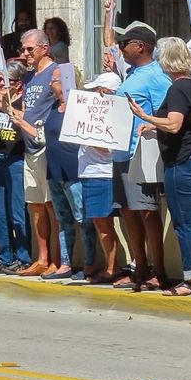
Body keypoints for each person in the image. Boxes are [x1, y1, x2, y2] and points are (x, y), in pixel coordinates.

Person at [129, 38, 191, 296]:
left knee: (184, 224)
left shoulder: (177, 88)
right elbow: (185, 120)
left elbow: (175, 124)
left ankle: (190, 280)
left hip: (184, 161)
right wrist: (155, 124)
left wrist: (145, 116)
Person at [12, 66, 96, 280]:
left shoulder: (79, 108)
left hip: (73, 172)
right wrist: (18, 118)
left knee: (82, 219)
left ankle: (89, 264)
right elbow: (41, 137)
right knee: (63, 220)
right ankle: (65, 264)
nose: (51, 84)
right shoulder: (52, 109)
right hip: (54, 172)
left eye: (56, 81)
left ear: (68, 82)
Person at [112, 24, 172, 291]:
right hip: (120, 151)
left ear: (141, 46)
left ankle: (158, 271)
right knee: (128, 211)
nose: (121, 47)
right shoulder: (131, 74)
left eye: (125, 43)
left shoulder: (157, 75)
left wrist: (151, 124)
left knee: (147, 211)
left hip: (141, 152)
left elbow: (167, 112)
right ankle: (141, 266)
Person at [18, 29, 60, 277]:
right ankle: (42, 258)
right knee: (35, 205)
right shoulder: (30, 78)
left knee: (50, 205)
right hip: (29, 149)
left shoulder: (56, 72)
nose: (25, 54)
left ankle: (57, 258)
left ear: (44, 48)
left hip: (47, 148)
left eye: (29, 49)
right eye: (23, 50)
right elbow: (25, 112)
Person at [0, 63, 29, 274]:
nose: (0, 84)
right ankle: (5, 256)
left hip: (15, 161)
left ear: (18, 84)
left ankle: (23, 257)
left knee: (17, 212)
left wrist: (5, 107)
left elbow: (25, 120)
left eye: (4, 80)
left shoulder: (22, 102)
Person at [79, 72, 123, 285]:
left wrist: (84, 134)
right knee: (99, 222)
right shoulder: (94, 111)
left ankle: (112, 268)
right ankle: (110, 265)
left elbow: (108, 148)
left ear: (105, 91)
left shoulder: (114, 113)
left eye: (97, 89)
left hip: (102, 173)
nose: (94, 93)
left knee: (103, 222)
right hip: (90, 172)